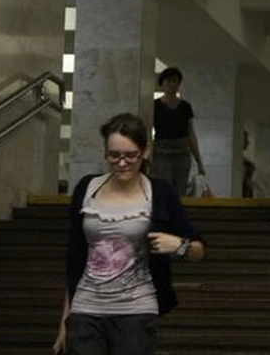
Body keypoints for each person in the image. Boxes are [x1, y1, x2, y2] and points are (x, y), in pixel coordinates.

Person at [53, 113, 205, 355]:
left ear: (145, 152)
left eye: (130, 155)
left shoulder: (160, 192)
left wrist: (179, 246)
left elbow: (199, 250)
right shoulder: (87, 188)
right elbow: (75, 259)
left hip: (136, 311)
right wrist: (65, 320)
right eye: (114, 155)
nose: (122, 163)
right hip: (86, 309)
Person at [153, 67, 205, 197]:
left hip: (182, 154)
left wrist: (199, 161)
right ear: (162, 83)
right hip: (161, 154)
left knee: (180, 191)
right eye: (168, 81)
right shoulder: (155, 106)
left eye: (175, 81)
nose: (172, 84)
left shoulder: (185, 107)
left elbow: (191, 133)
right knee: (164, 189)